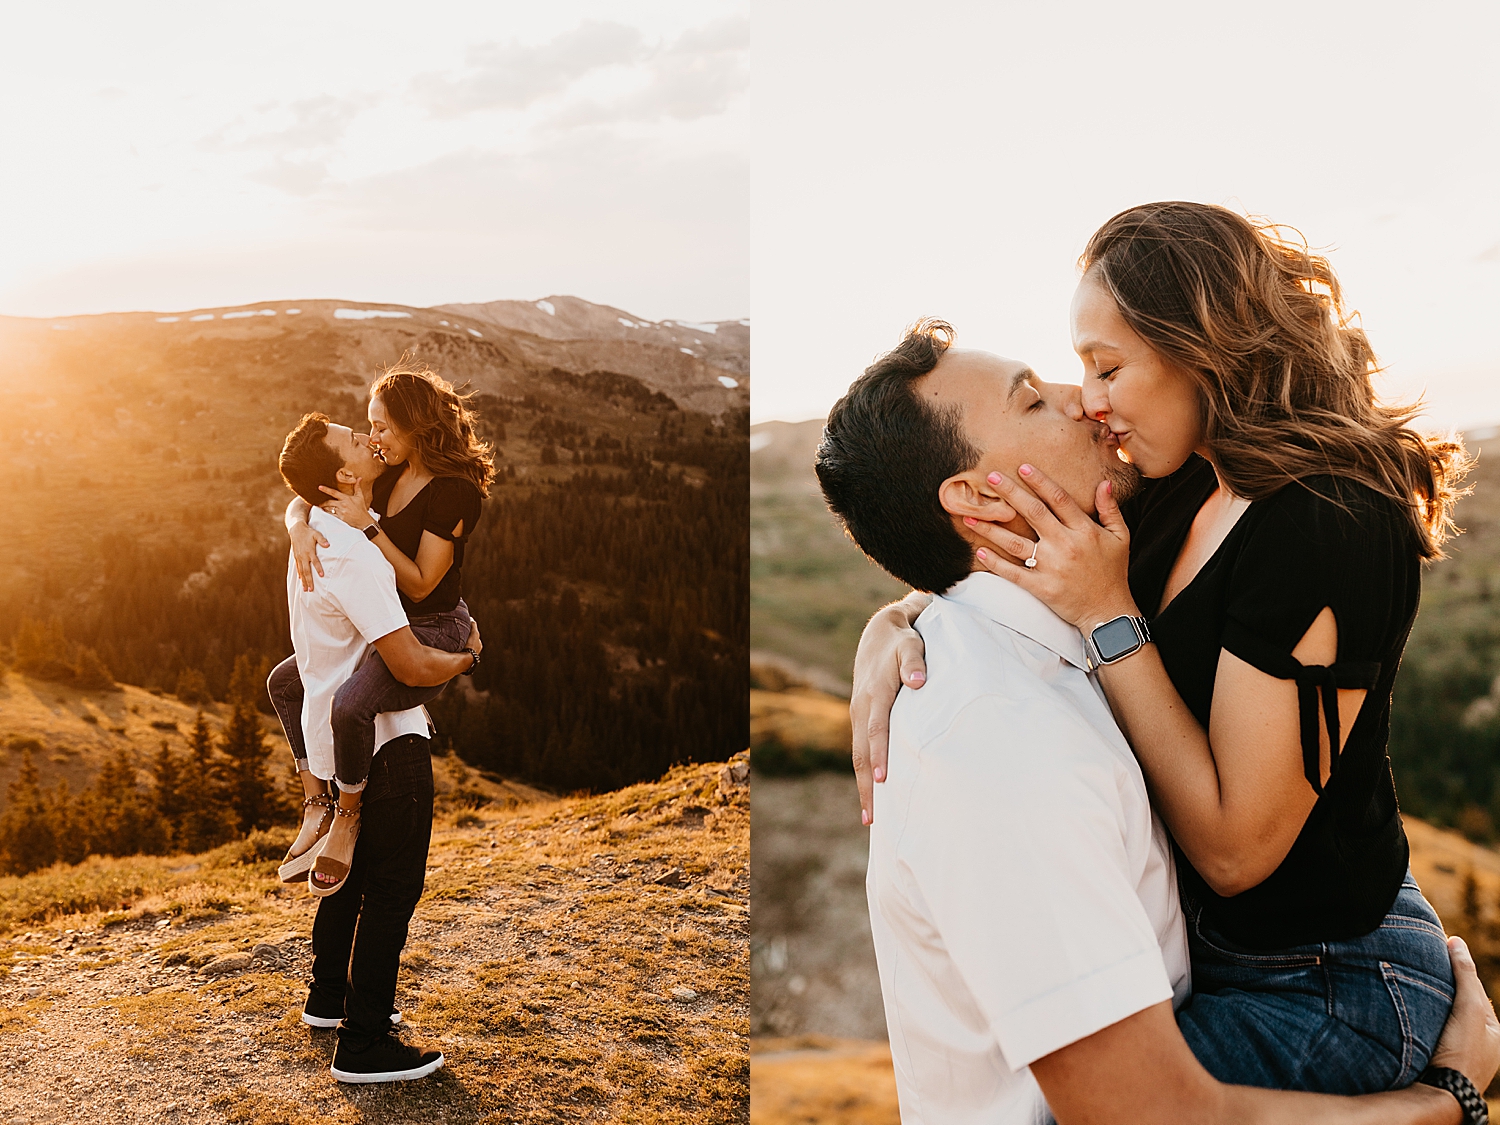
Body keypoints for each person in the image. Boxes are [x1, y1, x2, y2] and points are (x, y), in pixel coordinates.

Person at [850, 204, 1474, 1096]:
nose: (1091, 400)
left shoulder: (1328, 525)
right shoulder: (1180, 480)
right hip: (1214, 957)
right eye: (1079, 370)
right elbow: (1024, 550)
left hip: (1326, 979)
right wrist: (902, 618)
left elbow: (1233, 851)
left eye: (1108, 367)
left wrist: (1114, 619)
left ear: (1204, 352)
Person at [271, 410, 482, 1082]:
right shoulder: (355, 553)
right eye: (353, 437)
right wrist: (467, 657)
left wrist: (299, 519)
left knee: (352, 877)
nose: (367, 439)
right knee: (393, 888)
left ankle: (328, 998)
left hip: (334, 743)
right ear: (341, 474)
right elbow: (412, 665)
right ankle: (364, 1044)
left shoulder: (315, 534)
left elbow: (299, 499)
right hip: (386, 742)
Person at [270, 362, 494, 894]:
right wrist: (298, 527)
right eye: (370, 427)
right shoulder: (391, 468)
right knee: (285, 682)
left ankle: (346, 819)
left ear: (417, 426)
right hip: (381, 620)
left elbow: (418, 584)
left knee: (350, 704)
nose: (374, 438)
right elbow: (309, 489)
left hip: (431, 624)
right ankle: (315, 800)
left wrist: (367, 528)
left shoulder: (454, 492)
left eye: (383, 428)